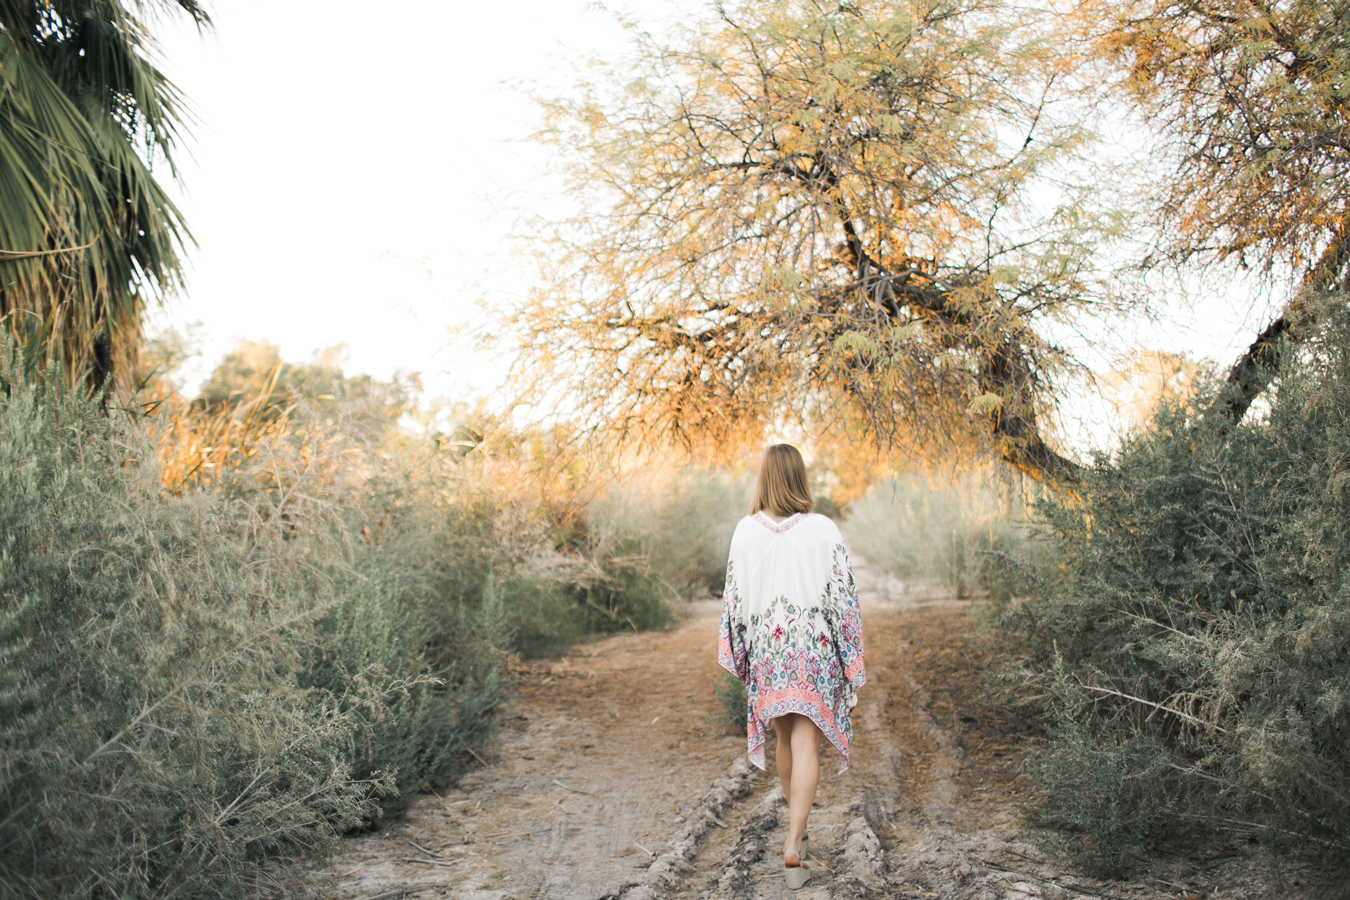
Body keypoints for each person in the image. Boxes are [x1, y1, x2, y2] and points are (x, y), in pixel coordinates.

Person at [717, 444, 866, 890]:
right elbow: (844, 598)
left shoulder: (745, 531)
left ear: (763, 478)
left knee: (784, 738)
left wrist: (742, 651)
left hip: (770, 646)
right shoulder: (823, 530)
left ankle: (797, 835)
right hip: (814, 647)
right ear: (800, 477)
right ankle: (794, 842)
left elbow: (733, 601)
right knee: (807, 744)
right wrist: (851, 656)